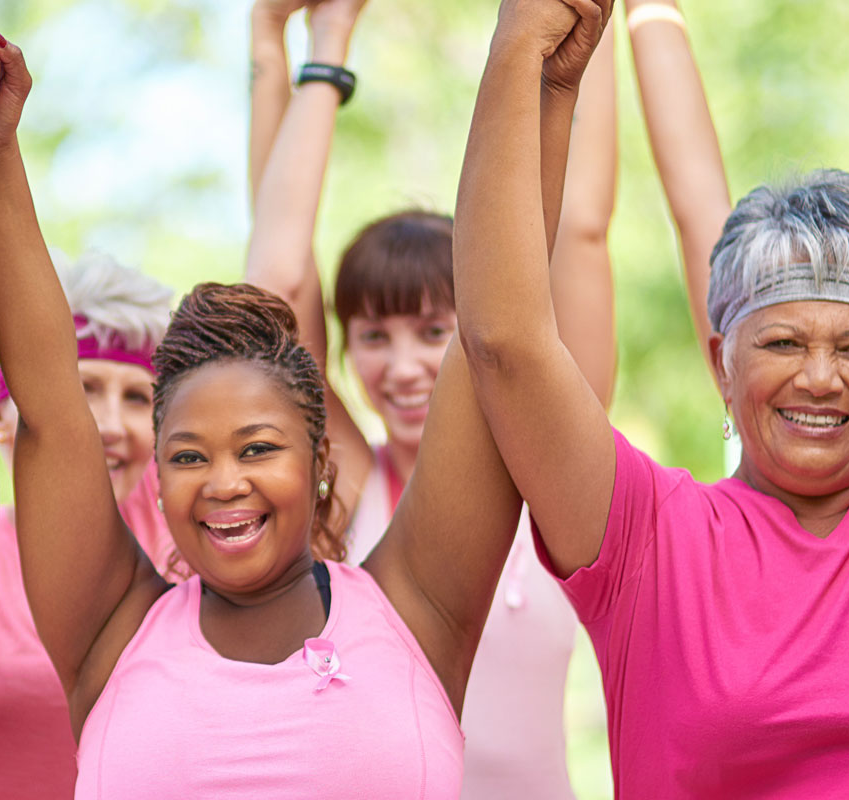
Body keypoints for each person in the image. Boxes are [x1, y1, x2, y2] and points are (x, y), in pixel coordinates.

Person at [457, 0, 849, 795]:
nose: (820, 377)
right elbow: (506, 342)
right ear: (720, 364)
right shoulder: (645, 534)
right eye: (782, 343)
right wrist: (527, 57)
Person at [0, 34, 534, 797]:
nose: (223, 482)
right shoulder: (113, 630)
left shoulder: (416, 604)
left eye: (257, 448)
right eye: (189, 456)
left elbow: (494, 334)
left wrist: (531, 66)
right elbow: (49, 410)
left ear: (322, 461)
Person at [244, 1, 615, 794]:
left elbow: (578, 227)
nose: (405, 365)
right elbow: (276, 275)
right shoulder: (343, 472)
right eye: (373, 336)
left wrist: (583, 42)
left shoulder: (550, 462)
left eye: (432, 329)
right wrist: (305, 45)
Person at [0, 249, 176, 800]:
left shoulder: (185, 533)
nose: (109, 424)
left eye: (136, 398)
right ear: (2, 419)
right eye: (85, 389)